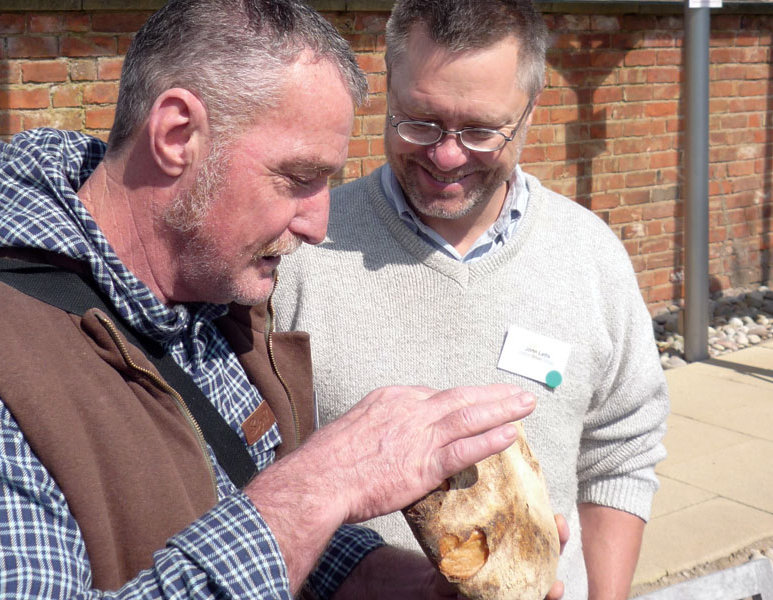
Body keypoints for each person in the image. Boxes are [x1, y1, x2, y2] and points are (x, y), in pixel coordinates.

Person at [0, 1, 550, 598]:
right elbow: (267, 520)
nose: (319, 223)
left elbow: (224, 500)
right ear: (175, 136)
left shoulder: (209, 298)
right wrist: (316, 488)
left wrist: (379, 580)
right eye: (299, 178)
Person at [274, 1, 670, 599]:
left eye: (481, 130)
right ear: (388, 90)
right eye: (421, 121)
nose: (447, 155)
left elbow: (621, 452)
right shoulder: (297, 251)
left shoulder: (590, 256)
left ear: (530, 114)